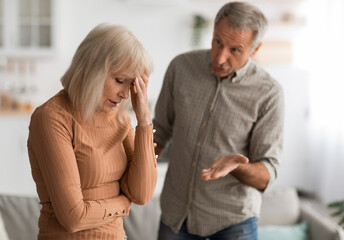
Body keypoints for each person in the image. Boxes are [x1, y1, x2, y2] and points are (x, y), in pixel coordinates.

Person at [153, 1, 284, 240]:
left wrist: (238, 166)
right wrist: (133, 166)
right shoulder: (181, 68)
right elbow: (159, 131)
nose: (220, 57)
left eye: (235, 50)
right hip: (175, 217)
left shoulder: (268, 93)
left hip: (233, 224)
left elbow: (268, 173)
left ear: (254, 50)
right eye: (217, 42)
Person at [27, 24, 157, 240]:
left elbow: (142, 195)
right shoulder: (52, 117)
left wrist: (144, 121)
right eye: (119, 80)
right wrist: (124, 203)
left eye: (131, 84)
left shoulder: (121, 121)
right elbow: (74, 217)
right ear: (91, 68)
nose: (125, 94)